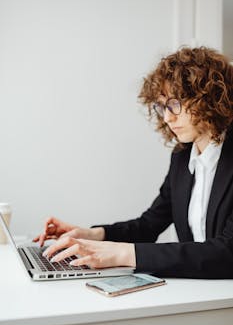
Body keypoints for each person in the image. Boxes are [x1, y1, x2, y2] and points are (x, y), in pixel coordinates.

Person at [33, 46, 233, 279]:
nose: (168, 117)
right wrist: (91, 235)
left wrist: (122, 254)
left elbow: (227, 252)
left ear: (209, 98)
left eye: (175, 103)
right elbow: (148, 225)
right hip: (199, 292)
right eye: (162, 106)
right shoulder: (182, 156)